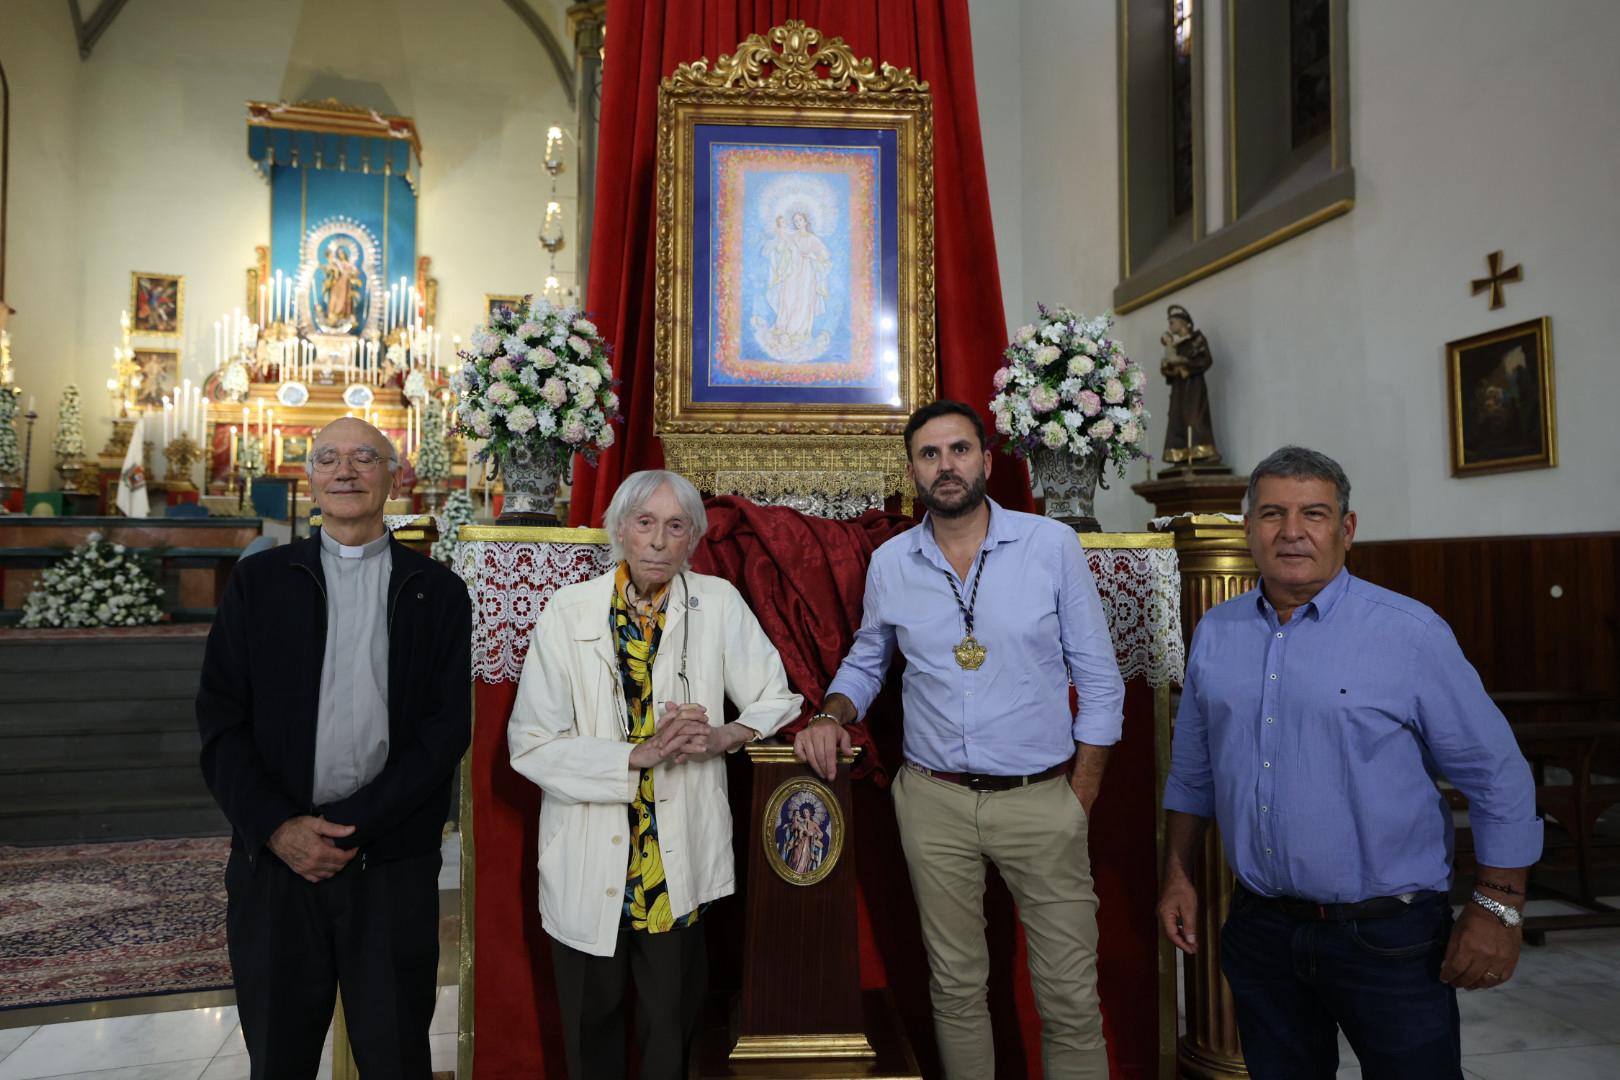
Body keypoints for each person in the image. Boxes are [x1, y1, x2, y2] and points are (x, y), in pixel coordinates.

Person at [1156, 445, 1542, 1080]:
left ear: (1347, 528)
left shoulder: (1409, 633)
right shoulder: (1216, 632)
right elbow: (1194, 769)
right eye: (1273, 514)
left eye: (1314, 513)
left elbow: (1496, 774)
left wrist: (1499, 907)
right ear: (1248, 527)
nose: (1292, 532)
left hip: (1389, 937)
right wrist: (1177, 874)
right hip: (1262, 928)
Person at [795, 399, 1125, 1080]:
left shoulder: (1049, 545)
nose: (947, 466)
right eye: (930, 454)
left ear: (986, 458)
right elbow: (868, 658)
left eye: (960, 450)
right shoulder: (891, 562)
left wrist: (1080, 795)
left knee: (1067, 995)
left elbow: (1099, 677)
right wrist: (830, 714)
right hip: (934, 801)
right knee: (955, 989)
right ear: (913, 469)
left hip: (1041, 798)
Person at [197, 417, 471, 1078]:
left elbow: (445, 732)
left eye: (363, 458)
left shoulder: (437, 592)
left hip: (389, 868)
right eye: (329, 458)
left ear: (394, 475)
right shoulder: (258, 585)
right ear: (311, 476)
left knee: (396, 1055)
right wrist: (276, 826)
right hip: (275, 870)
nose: (345, 471)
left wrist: (355, 827)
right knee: (279, 1057)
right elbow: (220, 720)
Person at [508, 469, 803, 1080]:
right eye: (645, 524)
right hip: (589, 857)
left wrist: (724, 735)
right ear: (619, 530)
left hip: (675, 861)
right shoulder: (569, 611)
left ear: (693, 538)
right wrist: (631, 757)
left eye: (675, 527)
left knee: (672, 1028)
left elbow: (776, 696)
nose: (659, 542)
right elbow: (529, 744)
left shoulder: (717, 602)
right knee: (592, 1031)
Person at [1159, 303, 1221, 468]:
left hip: (1194, 389)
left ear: (1183, 322)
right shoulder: (1175, 345)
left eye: (1173, 321)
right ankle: (1180, 454)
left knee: (1195, 417)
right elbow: (1168, 372)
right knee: (1177, 418)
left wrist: (1184, 363)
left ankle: (1203, 452)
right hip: (1179, 390)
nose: (1170, 325)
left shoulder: (1197, 340)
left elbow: (1205, 360)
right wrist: (1169, 366)